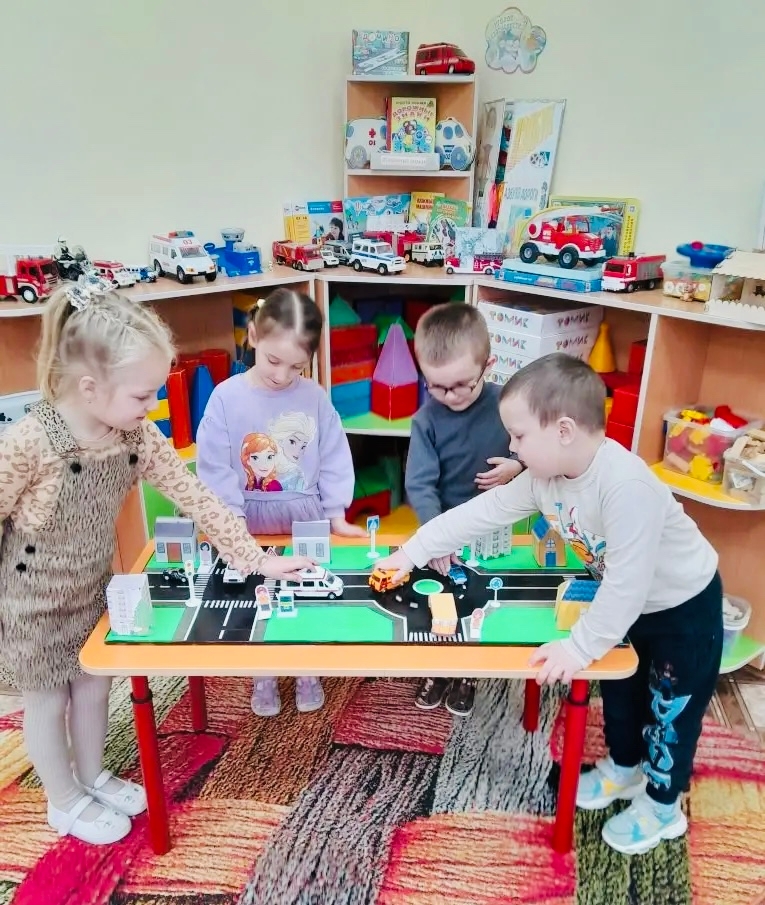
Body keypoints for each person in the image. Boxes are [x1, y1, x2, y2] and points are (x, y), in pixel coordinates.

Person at [0, 277, 314, 847]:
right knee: (47, 698)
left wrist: (253, 559)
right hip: (28, 597)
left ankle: (91, 775)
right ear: (91, 388)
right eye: (143, 396)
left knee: (93, 682)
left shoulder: (136, 435)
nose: (152, 407)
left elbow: (196, 496)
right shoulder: (29, 442)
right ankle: (62, 800)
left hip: (90, 585)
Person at [376, 352, 722, 856]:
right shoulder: (543, 478)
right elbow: (481, 513)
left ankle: (664, 806)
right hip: (627, 607)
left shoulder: (625, 485)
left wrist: (578, 647)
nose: (511, 447)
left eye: (518, 436)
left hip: (682, 610)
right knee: (620, 692)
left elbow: (627, 584)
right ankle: (624, 768)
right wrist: (412, 551)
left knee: (669, 711)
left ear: (563, 431)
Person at [197, 288, 365, 718]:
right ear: (253, 335)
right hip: (248, 519)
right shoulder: (226, 397)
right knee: (258, 596)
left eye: (296, 367)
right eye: (273, 360)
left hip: (303, 514)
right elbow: (214, 468)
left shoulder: (315, 397)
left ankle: (306, 667)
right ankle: (264, 672)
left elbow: (333, 454)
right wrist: (231, 527)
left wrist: (336, 512)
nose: (282, 375)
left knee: (306, 592)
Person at [405, 303, 523, 716]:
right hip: (444, 529)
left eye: (461, 385)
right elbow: (420, 485)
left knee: (480, 604)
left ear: (487, 366)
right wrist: (436, 536)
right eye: (437, 387)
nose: (450, 396)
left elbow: (539, 447)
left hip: (496, 529)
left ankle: (468, 672)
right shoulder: (425, 420)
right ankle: (439, 668)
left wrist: (518, 464)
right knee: (440, 603)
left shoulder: (510, 404)